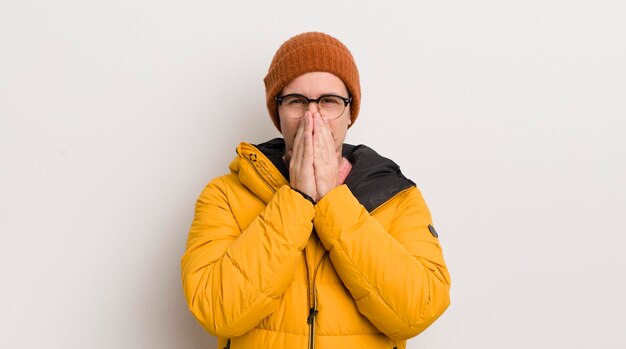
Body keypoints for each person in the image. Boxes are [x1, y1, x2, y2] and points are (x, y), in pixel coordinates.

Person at [181, 32, 451, 349]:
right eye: (296, 101)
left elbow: (417, 312)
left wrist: (333, 203)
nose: (313, 115)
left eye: (329, 101)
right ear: (277, 113)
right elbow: (216, 312)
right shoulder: (224, 194)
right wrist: (296, 201)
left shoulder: (397, 196)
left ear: (350, 113)